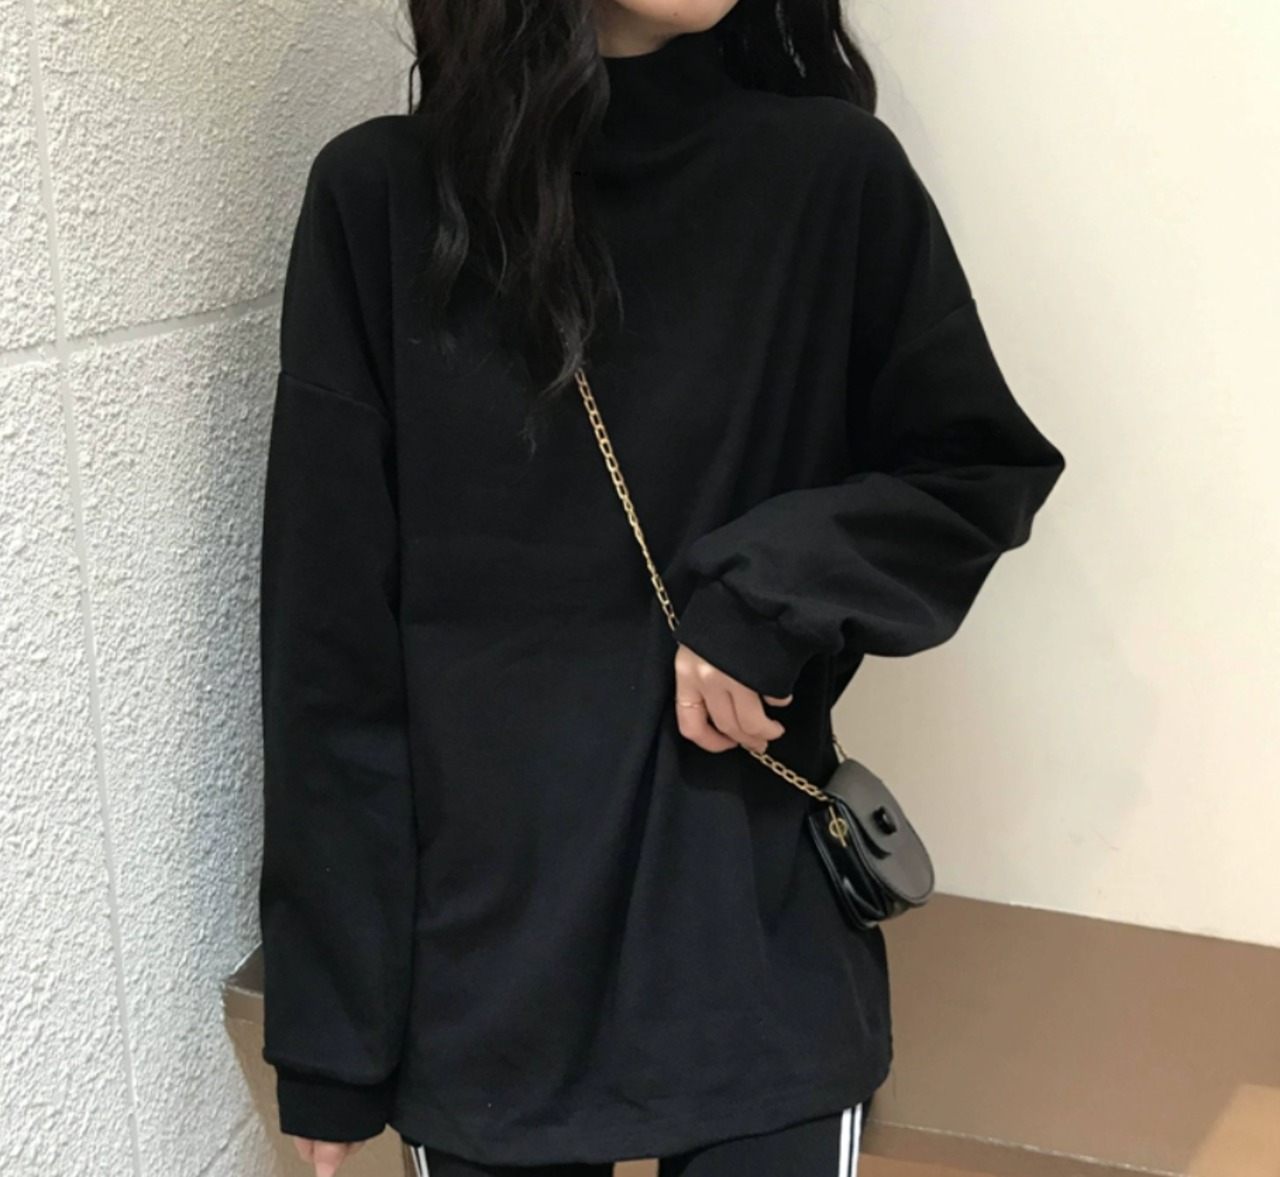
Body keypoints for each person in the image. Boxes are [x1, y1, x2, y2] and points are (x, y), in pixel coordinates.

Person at [256, 1, 1066, 1175]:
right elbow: (330, 650)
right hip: (489, 984)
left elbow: (973, 470)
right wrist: (332, 1035)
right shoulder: (383, 200)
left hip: (752, 945)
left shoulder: (827, 176)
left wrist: (768, 597)